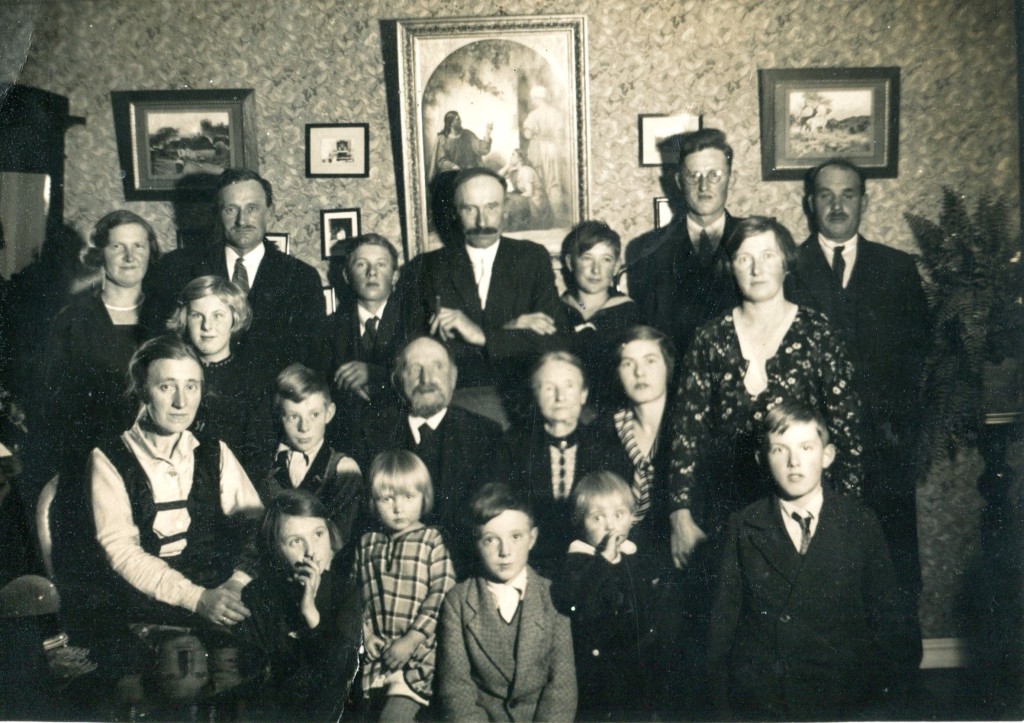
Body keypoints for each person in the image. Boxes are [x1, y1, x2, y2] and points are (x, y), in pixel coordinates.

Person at [667, 215, 865, 570]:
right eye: (744, 258)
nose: (757, 269)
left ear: (786, 262)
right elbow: (686, 432)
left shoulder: (817, 332)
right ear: (730, 266)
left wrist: (843, 517)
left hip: (803, 504)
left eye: (767, 256)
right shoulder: (709, 338)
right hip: (724, 508)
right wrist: (679, 514)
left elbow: (848, 432)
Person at [707, 401, 917, 720]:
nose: (794, 462)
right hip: (766, 700)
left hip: (843, 698)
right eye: (779, 450)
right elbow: (720, 633)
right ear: (761, 459)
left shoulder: (860, 523)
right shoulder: (743, 526)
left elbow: (891, 626)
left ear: (827, 455)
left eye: (806, 447)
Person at [788, 158, 929, 629]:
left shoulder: (897, 268)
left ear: (864, 202)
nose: (837, 205)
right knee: (821, 570)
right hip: (813, 451)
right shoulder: (788, 268)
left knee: (893, 571)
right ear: (810, 203)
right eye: (826, 195)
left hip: (884, 451)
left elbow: (920, 360)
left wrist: (903, 433)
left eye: (847, 194)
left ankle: (899, 666)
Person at [86, 336, 263, 669]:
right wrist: (197, 599)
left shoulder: (214, 451)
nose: (181, 402)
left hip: (220, 591)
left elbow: (257, 527)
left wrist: (236, 584)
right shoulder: (109, 459)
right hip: (145, 604)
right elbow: (122, 552)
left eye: (191, 387)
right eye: (167, 387)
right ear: (142, 390)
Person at [415, 167, 568, 422]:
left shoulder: (532, 258)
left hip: (524, 406)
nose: (482, 222)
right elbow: (425, 350)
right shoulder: (429, 267)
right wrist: (511, 329)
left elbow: (554, 341)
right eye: (469, 209)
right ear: (454, 212)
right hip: (456, 406)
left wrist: (482, 335)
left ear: (506, 208)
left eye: (491, 207)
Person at [353, 336, 509, 577]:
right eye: (415, 369)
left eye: (437, 367)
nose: (426, 379)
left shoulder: (486, 435)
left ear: (453, 377)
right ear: (398, 379)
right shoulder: (370, 433)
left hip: (463, 573)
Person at [30, 210, 160, 499]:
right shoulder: (71, 320)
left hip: (157, 462)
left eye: (139, 246)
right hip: (88, 463)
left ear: (151, 252)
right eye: (117, 246)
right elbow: (48, 407)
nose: (130, 256)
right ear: (100, 254)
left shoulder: (167, 317)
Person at [148, 168, 325, 374]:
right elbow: (161, 345)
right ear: (217, 213)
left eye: (252, 208)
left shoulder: (301, 277)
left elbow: (313, 359)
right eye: (231, 209)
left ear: (269, 212)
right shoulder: (179, 269)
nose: (242, 220)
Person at [437, 483, 577, 721]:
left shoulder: (554, 595)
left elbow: (561, 688)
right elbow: (456, 690)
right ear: (476, 541)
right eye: (491, 540)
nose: (505, 551)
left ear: (532, 538)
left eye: (515, 536)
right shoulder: (457, 603)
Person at [236, 489, 362, 720]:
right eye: (295, 541)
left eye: (318, 534)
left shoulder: (346, 590)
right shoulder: (256, 596)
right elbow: (254, 678)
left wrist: (309, 612)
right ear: (274, 547)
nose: (311, 551)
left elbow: (342, 673)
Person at [549, 471, 658, 722]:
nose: (610, 526)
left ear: (632, 518)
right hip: (596, 675)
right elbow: (574, 600)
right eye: (598, 518)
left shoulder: (634, 558)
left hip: (634, 672)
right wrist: (604, 562)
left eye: (619, 515)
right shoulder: (578, 561)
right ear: (580, 522)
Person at [506, 351, 626, 577]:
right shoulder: (512, 446)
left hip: (593, 565)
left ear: (583, 394)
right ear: (535, 395)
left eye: (569, 386)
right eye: (548, 388)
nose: (559, 397)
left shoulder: (606, 446)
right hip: (529, 565)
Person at [357, 450, 456, 720]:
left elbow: (442, 594)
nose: (398, 508)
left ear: (424, 497)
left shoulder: (432, 540)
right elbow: (355, 597)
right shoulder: (367, 544)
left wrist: (411, 639)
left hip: (417, 659)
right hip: (376, 660)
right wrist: (366, 634)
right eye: (387, 499)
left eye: (408, 497)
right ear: (373, 501)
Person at [625, 128, 742, 357]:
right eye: (693, 175)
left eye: (714, 174)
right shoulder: (646, 250)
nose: (704, 186)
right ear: (679, 181)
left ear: (732, 178)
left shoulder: (756, 240)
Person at [166, 274, 276, 481]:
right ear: (184, 319)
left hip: (235, 486)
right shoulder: (171, 372)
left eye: (218, 315)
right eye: (197, 316)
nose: (207, 326)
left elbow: (259, 455)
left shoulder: (253, 379)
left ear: (234, 318)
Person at [261, 364, 363, 552]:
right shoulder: (268, 464)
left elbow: (338, 539)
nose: (304, 427)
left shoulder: (343, 469)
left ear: (329, 413)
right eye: (294, 417)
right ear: (279, 416)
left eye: (314, 415)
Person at [323, 233, 411, 447]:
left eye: (381, 264)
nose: (372, 272)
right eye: (361, 264)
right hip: (349, 446)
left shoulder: (414, 321)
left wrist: (376, 374)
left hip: (404, 444)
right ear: (346, 275)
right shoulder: (328, 328)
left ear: (395, 275)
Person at [559, 220, 639, 412]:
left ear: (616, 266)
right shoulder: (555, 311)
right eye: (587, 258)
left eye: (606, 260)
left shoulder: (630, 314)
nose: (596, 270)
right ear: (570, 263)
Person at [522, 86, 569, 223]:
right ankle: (558, 217)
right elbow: (560, 134)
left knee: (539, 183)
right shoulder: (557, 113)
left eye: (533, 98)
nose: (533, 101)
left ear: (537, 98)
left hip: (539, 150)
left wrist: (535, 133)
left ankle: (543, 219)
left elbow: (528, 134)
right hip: (554, 149)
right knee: (554, 183)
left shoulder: (534, 115)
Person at [498, 148, 550, 230]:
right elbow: (497, 176)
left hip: (536, 203)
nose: (511, 157)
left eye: (513, 155)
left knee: (511, 199)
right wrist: (508, 165)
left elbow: (529, 193)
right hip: (528, 201)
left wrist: (514, 198)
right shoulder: (515, 171)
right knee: (506, 197)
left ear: (520, 158)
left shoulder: (526, 171)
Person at [432, 110, 493, 177]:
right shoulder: (443, 139)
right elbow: (441, 161)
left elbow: (481, 149)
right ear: (450, 124)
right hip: (453, 173)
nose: (460, 121)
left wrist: (487, 134)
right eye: (457, 119)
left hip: (470, 172)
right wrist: (453, 166)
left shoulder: (468, 134)